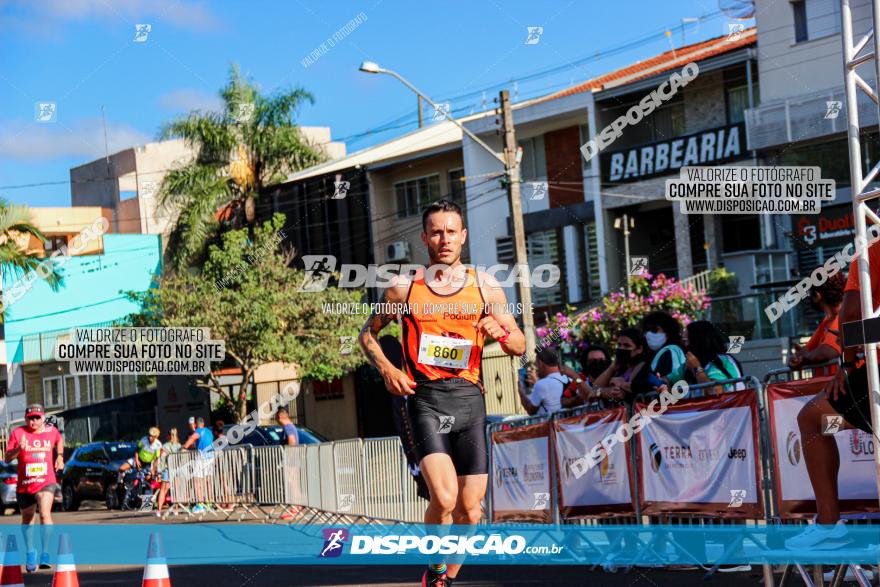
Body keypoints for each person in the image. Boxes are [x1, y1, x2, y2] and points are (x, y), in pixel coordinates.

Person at [358, 199, 525, 587]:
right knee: (445, 498)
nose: (444, 238)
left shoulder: (485, 285)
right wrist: (387, 369)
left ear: (463, 237)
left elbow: (519, 342)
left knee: (470, 509)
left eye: (451, 231)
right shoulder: (405, 288)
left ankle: (444, 578)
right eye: (436, 231)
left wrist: (498, 331)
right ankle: (435, 571)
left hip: (470, 400)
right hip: (425, 399)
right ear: (424, 237)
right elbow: (367, 335)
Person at [787, 239, 880, 549]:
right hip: (860, 399)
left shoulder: (873, 249)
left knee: (812, 420)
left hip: (871, 381)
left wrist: (849, 362)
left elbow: (854, 313)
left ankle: (828, 522)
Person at [5, 404, 63, 572]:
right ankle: (30, 552)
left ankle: (45, 554)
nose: (34, 421)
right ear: (26, 419)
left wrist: (59, 456)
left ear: (43, 418)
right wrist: (19, 449)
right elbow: (7, 458)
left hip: (46, 482)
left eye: (37, 417)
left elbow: (59, 440)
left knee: (45, 514)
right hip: (25, 485)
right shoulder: (18, 433)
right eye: (31, 418)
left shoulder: (51, 431)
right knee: (27, 519)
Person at [789, 273, 845, 377]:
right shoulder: (827, 321)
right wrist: (798, 357)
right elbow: (807, 350)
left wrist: (803, 359)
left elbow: (824, 353)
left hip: (842, 389)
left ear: (817, 296)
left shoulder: (843, 318)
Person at [591, 328, 660, 402]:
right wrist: (612, 367)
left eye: (626, 346)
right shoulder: (621, 368)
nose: (621, 348)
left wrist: (621, 384)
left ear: (639, 349)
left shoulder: (646, 367)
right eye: (619, 345)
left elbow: (646, 387)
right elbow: (593, 389)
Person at [683, 321, 745, 394]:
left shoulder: (722, 361)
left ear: (698, 341)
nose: (685, 345)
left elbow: (715, 391)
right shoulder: (693, 368)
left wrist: (697, 369)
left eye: (686, 341)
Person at [517, 347, 568, 415]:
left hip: (550, 424)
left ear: (540, 363)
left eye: (536, 364)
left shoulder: (542, 385)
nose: (536, 368)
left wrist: (521, 391)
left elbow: (530, 411)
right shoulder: (567, 378)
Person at [643, 311, 688, 386]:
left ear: (668, 332)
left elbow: (666, 382)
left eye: (654, 330)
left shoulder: (671, 351)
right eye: (646, 330)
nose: (648, 334)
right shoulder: (654, 354)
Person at [182, 417, 215, 514]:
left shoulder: (198, 430)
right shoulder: (209, 431)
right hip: (210, 457)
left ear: (196, 425)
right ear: (203, 423)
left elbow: (193, 438)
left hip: (202, 458)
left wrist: (184, 447)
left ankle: (200, 505)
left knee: (197, 481)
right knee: (207, 481)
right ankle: (209, 504)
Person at [155, 428, 181, 518]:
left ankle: (159, 510)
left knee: (163, 490)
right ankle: (176, 510)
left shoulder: (165, 446)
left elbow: (161, 459)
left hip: (167, 469)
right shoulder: (179, 446)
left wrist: (158, 472)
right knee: (176, 490)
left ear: (169, 435)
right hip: (177, 469)